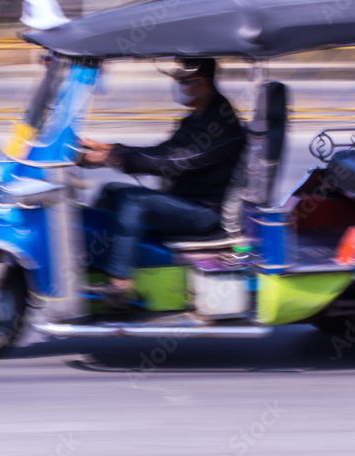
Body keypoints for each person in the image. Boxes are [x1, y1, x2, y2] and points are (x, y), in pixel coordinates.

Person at [80, 58, 245, 307]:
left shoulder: (220, 124)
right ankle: (102, 263)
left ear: (200, 83)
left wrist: (112, 158)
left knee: (133, 201)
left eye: (182, 81)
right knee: (112, 191)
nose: (178, 86)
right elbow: (164, 151)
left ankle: (119, 285)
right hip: (184, 199)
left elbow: (174, 161)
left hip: (203, 213)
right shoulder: (196, 118)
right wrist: (108, 148)